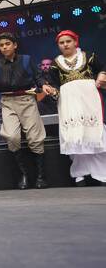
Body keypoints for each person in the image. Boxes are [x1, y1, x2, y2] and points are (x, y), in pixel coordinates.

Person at [0, 33, 54, 189]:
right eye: (1, 45)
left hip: (27, 100)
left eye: (7, 44)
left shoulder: (26, 60)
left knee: (35, 138)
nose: (4, 47)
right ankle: (24, 174)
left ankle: (41, 176)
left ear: (15, 45)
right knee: (12, 137)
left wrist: (44, 85)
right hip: (7, 102)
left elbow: (38, 77)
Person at [47, 30, 106, 186]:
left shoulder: (89, 56)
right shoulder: (55, 64)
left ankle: (101, 174)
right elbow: (53, 84)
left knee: (93, 134)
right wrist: (52, 90)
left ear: (75, 42)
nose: (65, 44)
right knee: (75, 135)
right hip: (68, 101)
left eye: (68, 41)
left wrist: (101, 75)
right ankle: (80, 174)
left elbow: (102, 68)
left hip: (89, 99)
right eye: (62, 42)